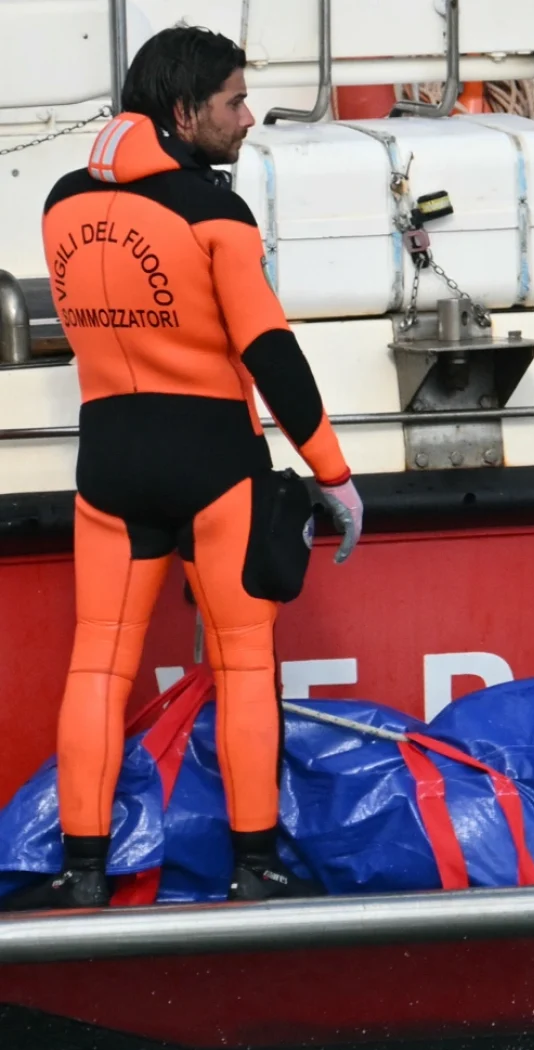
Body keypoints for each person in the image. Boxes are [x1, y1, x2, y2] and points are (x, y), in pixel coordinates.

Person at [8, 25, 364, 910]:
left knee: (96, 668)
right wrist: (333, 473)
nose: (248, 119)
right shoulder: (214, 214)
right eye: (234, 102)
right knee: (246, 667)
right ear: (181, 111)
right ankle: (255, 864)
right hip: (213, 464)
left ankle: (83, 871)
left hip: (110, 469)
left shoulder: (59, 205)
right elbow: (271, 354)